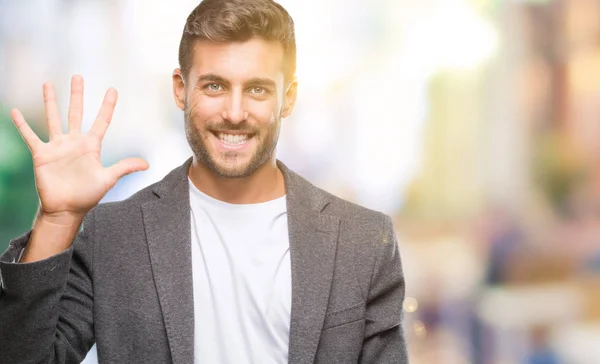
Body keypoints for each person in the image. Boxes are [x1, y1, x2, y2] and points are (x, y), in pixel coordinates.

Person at [0, 0, 408, 363]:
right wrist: (58, 219)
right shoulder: (114, 236)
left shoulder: (363, 241)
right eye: (214, 85)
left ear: (288, 97)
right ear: (181, 89)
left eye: (257, 89)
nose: (234, 112)